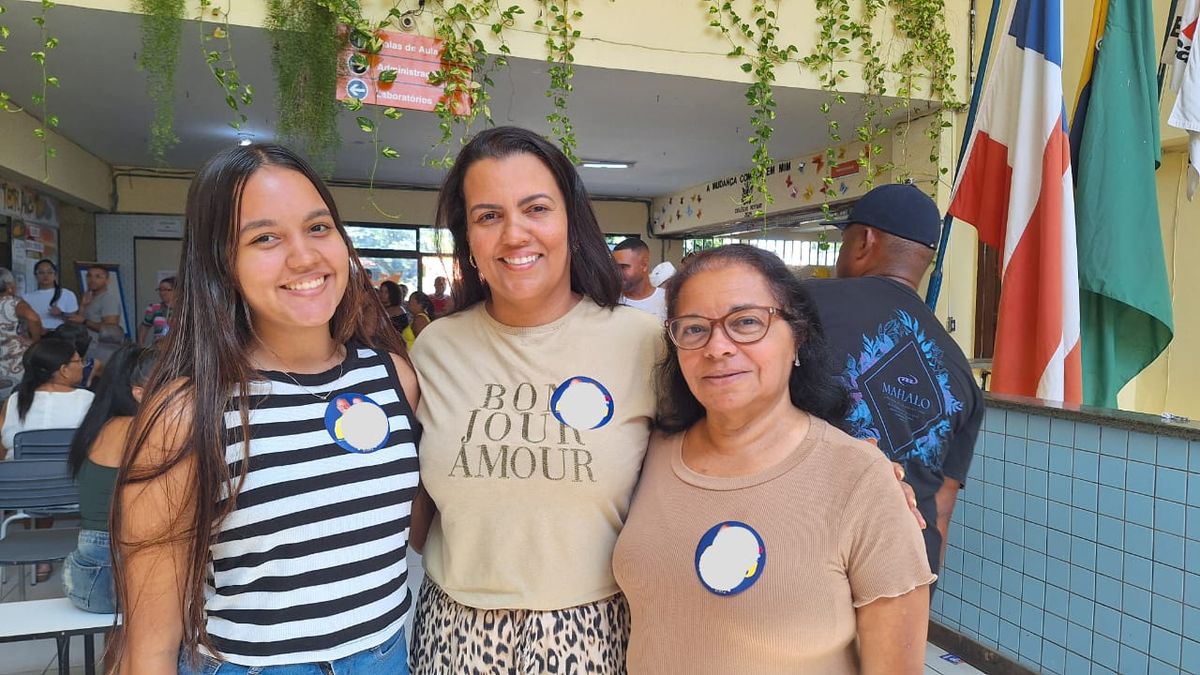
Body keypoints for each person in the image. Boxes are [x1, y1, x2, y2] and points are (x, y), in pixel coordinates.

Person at [110, 143, 420, 675]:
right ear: (221, 263)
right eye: (265, 238)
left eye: (319, 228)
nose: (304, 257)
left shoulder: (393, 375)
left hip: (387, 656)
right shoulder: (186, 413)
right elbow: (151, 646)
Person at [407, 126, 661, 673]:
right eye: (488, 216)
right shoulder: (436, 348)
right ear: (468, 240)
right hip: (453, 631)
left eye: (536, 208)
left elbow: (712, 456)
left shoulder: (641, 342)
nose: (514, 234)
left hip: (597, 630)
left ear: (571, 223)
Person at [612, 244, 935, 674]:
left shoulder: (861, 480)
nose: (718, 347)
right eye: (693, 329)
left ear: (797, 335)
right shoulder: (646, 454)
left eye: (746, 322)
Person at [808, 183, 983, 578]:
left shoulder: (803, 304)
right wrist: (921, 592)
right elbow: (941, 506)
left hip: (810, 555)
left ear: (864, 241)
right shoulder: (960, 370)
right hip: (903, 569)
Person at [0, 337, 91, 459]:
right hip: (71, 476)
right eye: (79, 361)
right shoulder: (88, 399)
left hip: (18, 476)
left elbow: (2, 452)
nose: (82, 366)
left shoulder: (14, 401)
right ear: (64, 370)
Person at [0, 266, 44, 388]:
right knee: (14, 397)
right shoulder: (14, 303)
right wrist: (36, 341)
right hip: (13, 358)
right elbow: (33, 318)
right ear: (9, 286)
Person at [613, 237, 667, 321]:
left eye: (623, 267)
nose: (617, 273)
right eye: (615, 267)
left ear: (644, 265)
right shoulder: (611, 301)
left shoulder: (666, 300)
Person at [70, 264, 122, 344]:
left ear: (107, 281)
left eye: (98, 277)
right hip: (85, 346)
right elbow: (79, 323)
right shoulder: (88, 297)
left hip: (100, 348)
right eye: (89, 276)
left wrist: (85, 321)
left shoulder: (108, 299)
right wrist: (82, 306)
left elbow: (110, 330)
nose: (92, 280)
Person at [24, 258, 79, 331]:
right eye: (41, 272)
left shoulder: (67, 294)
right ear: (35, 276)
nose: (45, 275)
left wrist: (61, 314)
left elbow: (75, 320)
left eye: (50, 272)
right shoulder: (26, 297)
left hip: (61, 336)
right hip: (37, 336)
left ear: (55, 275)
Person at [137, 276, 175, 345]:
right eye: (160, 289)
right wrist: (141, 345)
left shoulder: (184, 309)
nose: (162, 293)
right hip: (158, 350)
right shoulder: (154, 308)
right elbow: (144, 327)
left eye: (166, 289)